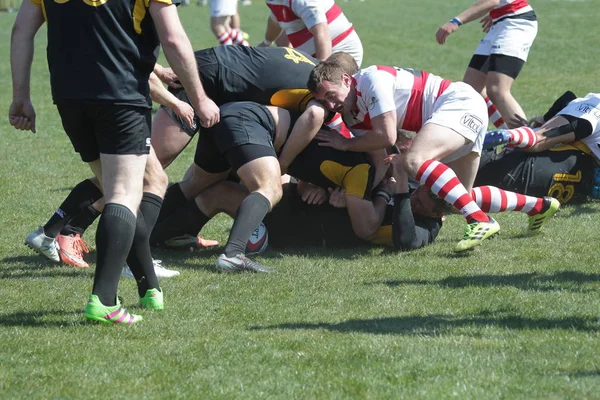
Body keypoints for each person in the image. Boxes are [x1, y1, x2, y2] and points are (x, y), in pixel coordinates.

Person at [10, 0, 218, 324]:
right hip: (121, 97)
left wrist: (21, 94)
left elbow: (22, 30)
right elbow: (174, 40)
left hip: (69, 99)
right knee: (123, 193)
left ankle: (149, 285)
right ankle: (105, 300)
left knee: (151, 182)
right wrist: (200, 98)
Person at [308, 58, 500, 252]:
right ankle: (531, 207)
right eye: (324, 101)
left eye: (332, 95)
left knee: (414, 160)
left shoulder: (371, 80)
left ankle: (478, 219)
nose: (331, 105)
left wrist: (345, 144)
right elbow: (379, 159)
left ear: (347, 80)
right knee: (455, 201)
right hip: (458, 110)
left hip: (458, 103)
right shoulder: (351, 116)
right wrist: (356, 195)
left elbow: (387, 136)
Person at [435, 0, 538, 129]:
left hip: (516, 23)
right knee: (471, 88)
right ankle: (508, 135)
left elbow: (493, 0)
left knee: (497, 90)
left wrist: (456, 21)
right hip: (501, 21)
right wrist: (497, 11)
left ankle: (527, 143)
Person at [261, 0, 363, 66]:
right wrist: (266, 42)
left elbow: (321, 31)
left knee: (324, 95)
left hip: (341, 52)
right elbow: (275, 20)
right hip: (314, 58)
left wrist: (322, 70)